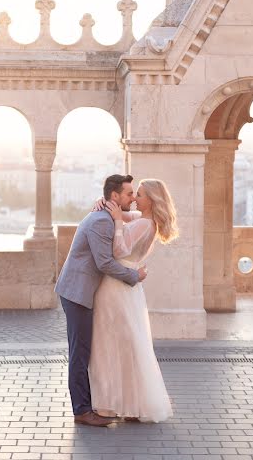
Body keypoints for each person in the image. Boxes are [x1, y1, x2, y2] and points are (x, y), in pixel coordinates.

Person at [54, 174, 148, 427]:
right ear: (115, 197)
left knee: (81, 351)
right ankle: (82, 411)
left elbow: (142, 218)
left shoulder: (105, 216)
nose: (132, 198)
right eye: (129, 193)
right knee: (79, 353)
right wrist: (134, 276)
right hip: (77, 292)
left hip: (79, 290)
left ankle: (86, 406)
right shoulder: (101, 222)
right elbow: (104, 262)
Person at [89, 178, 178, 422]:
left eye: (139, 195)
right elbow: (122, 213)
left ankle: (109, 405)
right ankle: (131, 403)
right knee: (127, 344)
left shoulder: (144, 225)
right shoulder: (145, 220)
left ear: (150, 200)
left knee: (109, 344)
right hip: (127, 289)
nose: (134, 199)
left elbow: (119, 251)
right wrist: (106, 204)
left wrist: (117, 221)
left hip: (116, 285)